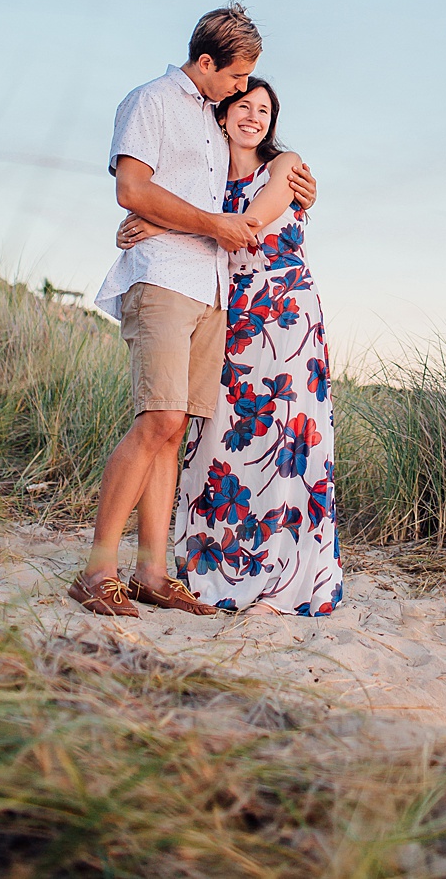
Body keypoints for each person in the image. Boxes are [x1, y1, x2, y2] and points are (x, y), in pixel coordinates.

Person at [68, 4, 316, 617]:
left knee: (175, 429)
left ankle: (153, 573)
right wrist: (180, 221)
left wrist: (298, 184)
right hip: (162, 281)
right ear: (205, 62)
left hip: (211, 289)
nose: (243, 90)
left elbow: (212, 195)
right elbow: (132, 188)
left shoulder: (213, 119)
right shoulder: (151, 101)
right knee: (158, 420)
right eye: (237, 79)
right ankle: (98, 571)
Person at [118, 77, 341, 616]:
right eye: (244, 105)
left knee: (286, 440)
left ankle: (282, 575)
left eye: (264, 109)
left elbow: (247, 228)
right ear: (222, 115)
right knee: (219, 439)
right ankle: (213, 562)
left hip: (284, 315)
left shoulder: (287, 167)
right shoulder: (206, 182)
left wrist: (155, 221)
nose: (254, 116)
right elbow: (200, 219)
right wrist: (163, 218)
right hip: (224, 310)